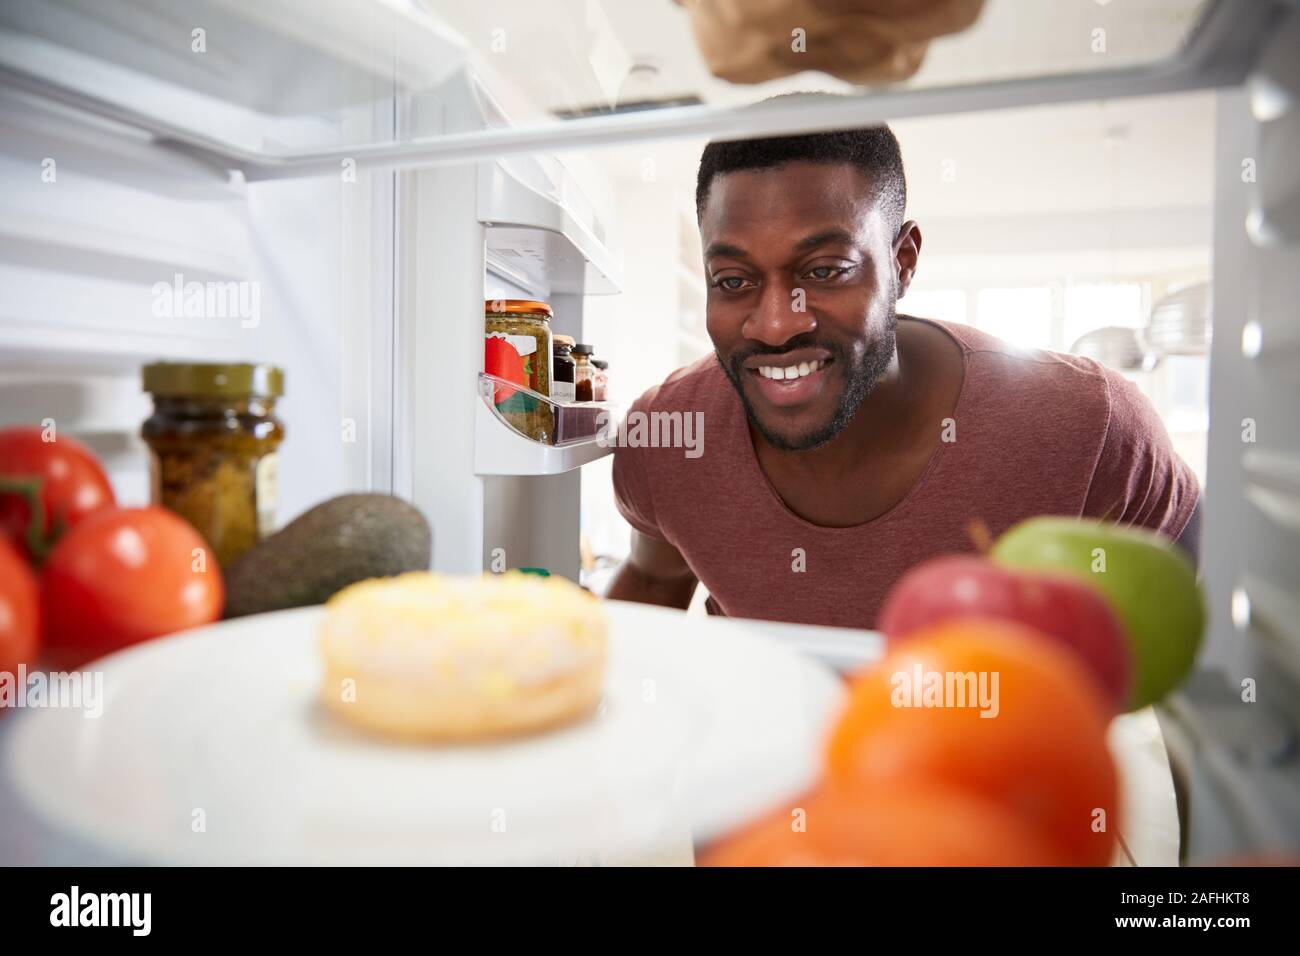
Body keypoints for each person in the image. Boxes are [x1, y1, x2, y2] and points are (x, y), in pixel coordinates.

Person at [607, 121, 1200, 627]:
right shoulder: (667, 436)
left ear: (902, 262)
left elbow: (1213, 613)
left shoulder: (1089, 426)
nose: (776, 326)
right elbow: (649, 586)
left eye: (825, 270)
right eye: (734, 281)